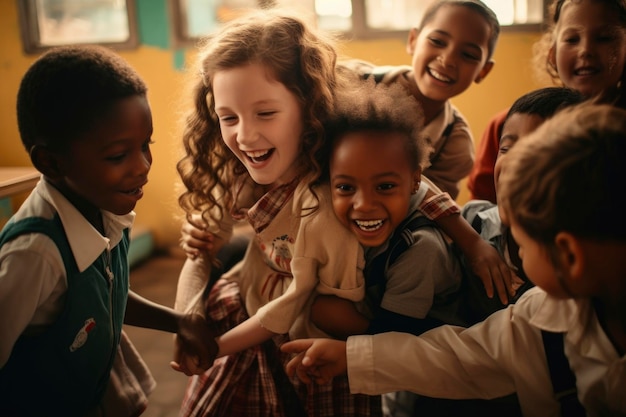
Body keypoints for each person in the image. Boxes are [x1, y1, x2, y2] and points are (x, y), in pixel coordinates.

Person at [282, 102, 626, 417]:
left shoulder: (424, 251)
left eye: (521, 244)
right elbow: (458, 358)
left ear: (568, 256)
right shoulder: (539, 317)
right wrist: (348, 357)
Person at [172, 10, 380, 417]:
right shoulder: (235, 170)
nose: (244, 136)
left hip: (311, 350)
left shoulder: (331, 190)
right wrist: (186, 318)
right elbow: (198, 256)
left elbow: (307, 308)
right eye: (227, 118)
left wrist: (212, 346)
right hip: (242, 314)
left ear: (311, 106)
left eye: (265, 114)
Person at [0, 45, 217, 417]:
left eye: (145, 146)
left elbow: (102, 291)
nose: (142, 166)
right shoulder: (34, 254)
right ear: (50, 162)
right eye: (118, 155)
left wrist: (178, 321)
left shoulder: (99, 208)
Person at [467, 0, 626, 202]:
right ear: (552, 54)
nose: (586, 50)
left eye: (604, 38)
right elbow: (481, 212)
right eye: (571, 39)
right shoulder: (506, 126)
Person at [341, 0, 499, 200]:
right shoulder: (348, 81)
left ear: (483, 71)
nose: (448, 60)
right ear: (413, 40)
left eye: (468, 54)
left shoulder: (454, 143)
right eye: (438, 41)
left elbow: (431, 209)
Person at [462, 86, 586, 323]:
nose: (511, 163)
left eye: (534, 152)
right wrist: (469, 241)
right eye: (506, 149)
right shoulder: (473, 223)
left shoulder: (581, 262)